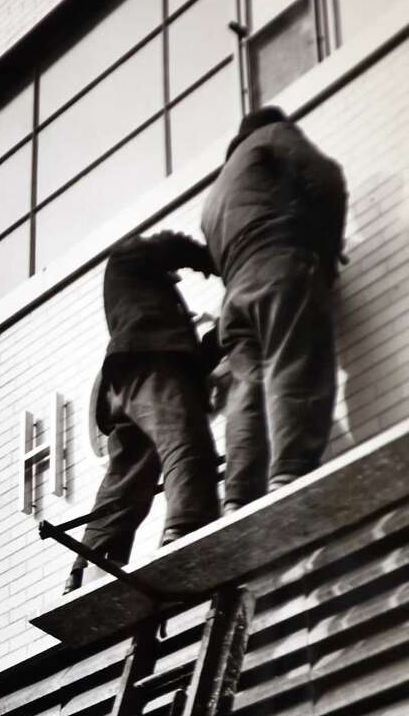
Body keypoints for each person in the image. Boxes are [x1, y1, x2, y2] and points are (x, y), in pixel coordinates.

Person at [201, 106, 348, 511]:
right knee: (294, 357)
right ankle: (291, 470)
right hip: (278, 262)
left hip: (234, 294)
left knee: (246, 390)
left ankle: (238, 497)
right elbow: (326, 177)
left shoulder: (214, 196)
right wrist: (328, 248)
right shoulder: (271, 136)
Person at [65, 231, 221, 594]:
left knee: (129, 477)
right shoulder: (129, 255)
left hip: (126, 385)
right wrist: (214, 261)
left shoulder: (137, 293)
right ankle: (187, 527)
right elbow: (172, 243)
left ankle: (91, 566)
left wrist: (216, 340)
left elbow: (193, 361)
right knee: (185, 439)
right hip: (149, 365)